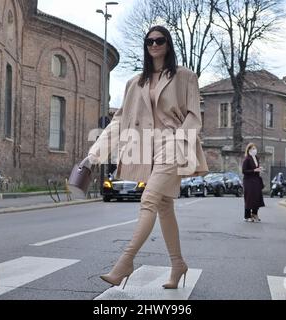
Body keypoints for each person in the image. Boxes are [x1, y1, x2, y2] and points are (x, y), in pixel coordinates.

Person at [79, 25, 209, 289]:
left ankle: (125, 262)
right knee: (163, 207)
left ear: (168, 44)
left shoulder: (185, 77)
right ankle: (178, 264)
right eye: (149, 41)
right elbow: (118, 123)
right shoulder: (134, 83)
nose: (154, 45)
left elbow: (194, 116)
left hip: (173, 146)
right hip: (145, 149)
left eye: (159, 40)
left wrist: (180, 142)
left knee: (149, 199)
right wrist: (93, 156)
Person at [242, 143, 265, 222]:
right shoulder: (247, 159)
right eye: (252, 149)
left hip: (256, 180)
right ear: (248, 150)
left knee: (257, 197)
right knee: (249, 198)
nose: (254, 150)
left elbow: (256, 168)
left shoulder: (256, 158)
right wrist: (254, 170)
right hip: (248, 181)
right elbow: (244, 171)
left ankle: (255, 213)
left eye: (255, 148)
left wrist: (259, 169)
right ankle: (247, 216)